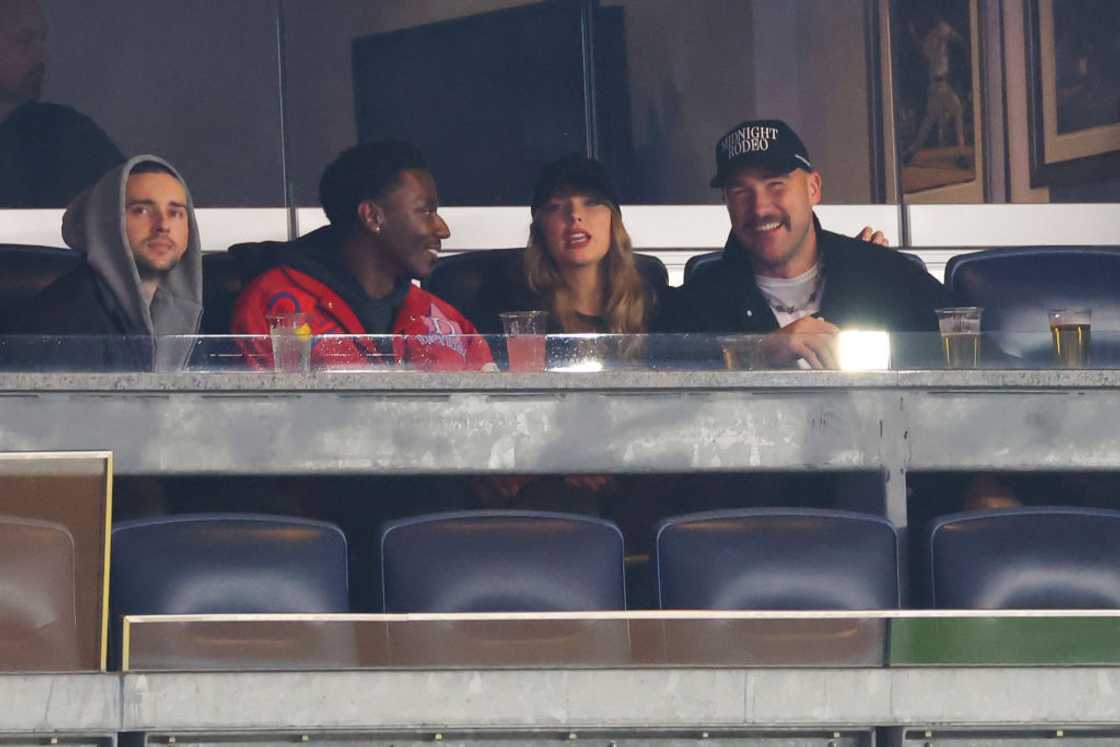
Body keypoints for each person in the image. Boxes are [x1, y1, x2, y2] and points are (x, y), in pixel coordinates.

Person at [684, 118, 949, 369]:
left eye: (776, 184)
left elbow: (962, 345)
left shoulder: (882, 275)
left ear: (813, 188)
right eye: (740, 191)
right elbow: (674, 378)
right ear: (726, 201)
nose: (760, 208)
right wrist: (761, 352)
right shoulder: (697, 304)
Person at [230, 140, 492, 371]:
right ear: (372, 216)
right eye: (426, 211)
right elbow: (258, 408)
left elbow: (492, 407)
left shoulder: (446, 320)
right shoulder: (276, 305)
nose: (443, 229)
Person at [5, 155, 203, 371]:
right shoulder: (65, 321)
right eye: (142, 210)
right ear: (106, 222)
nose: (163, 225)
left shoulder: (190, 319)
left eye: (175, 213)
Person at [0, 0, 124, 207]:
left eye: (42, 41)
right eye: (24, 41)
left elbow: (136, 199)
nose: (42, 57)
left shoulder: (66, 134)